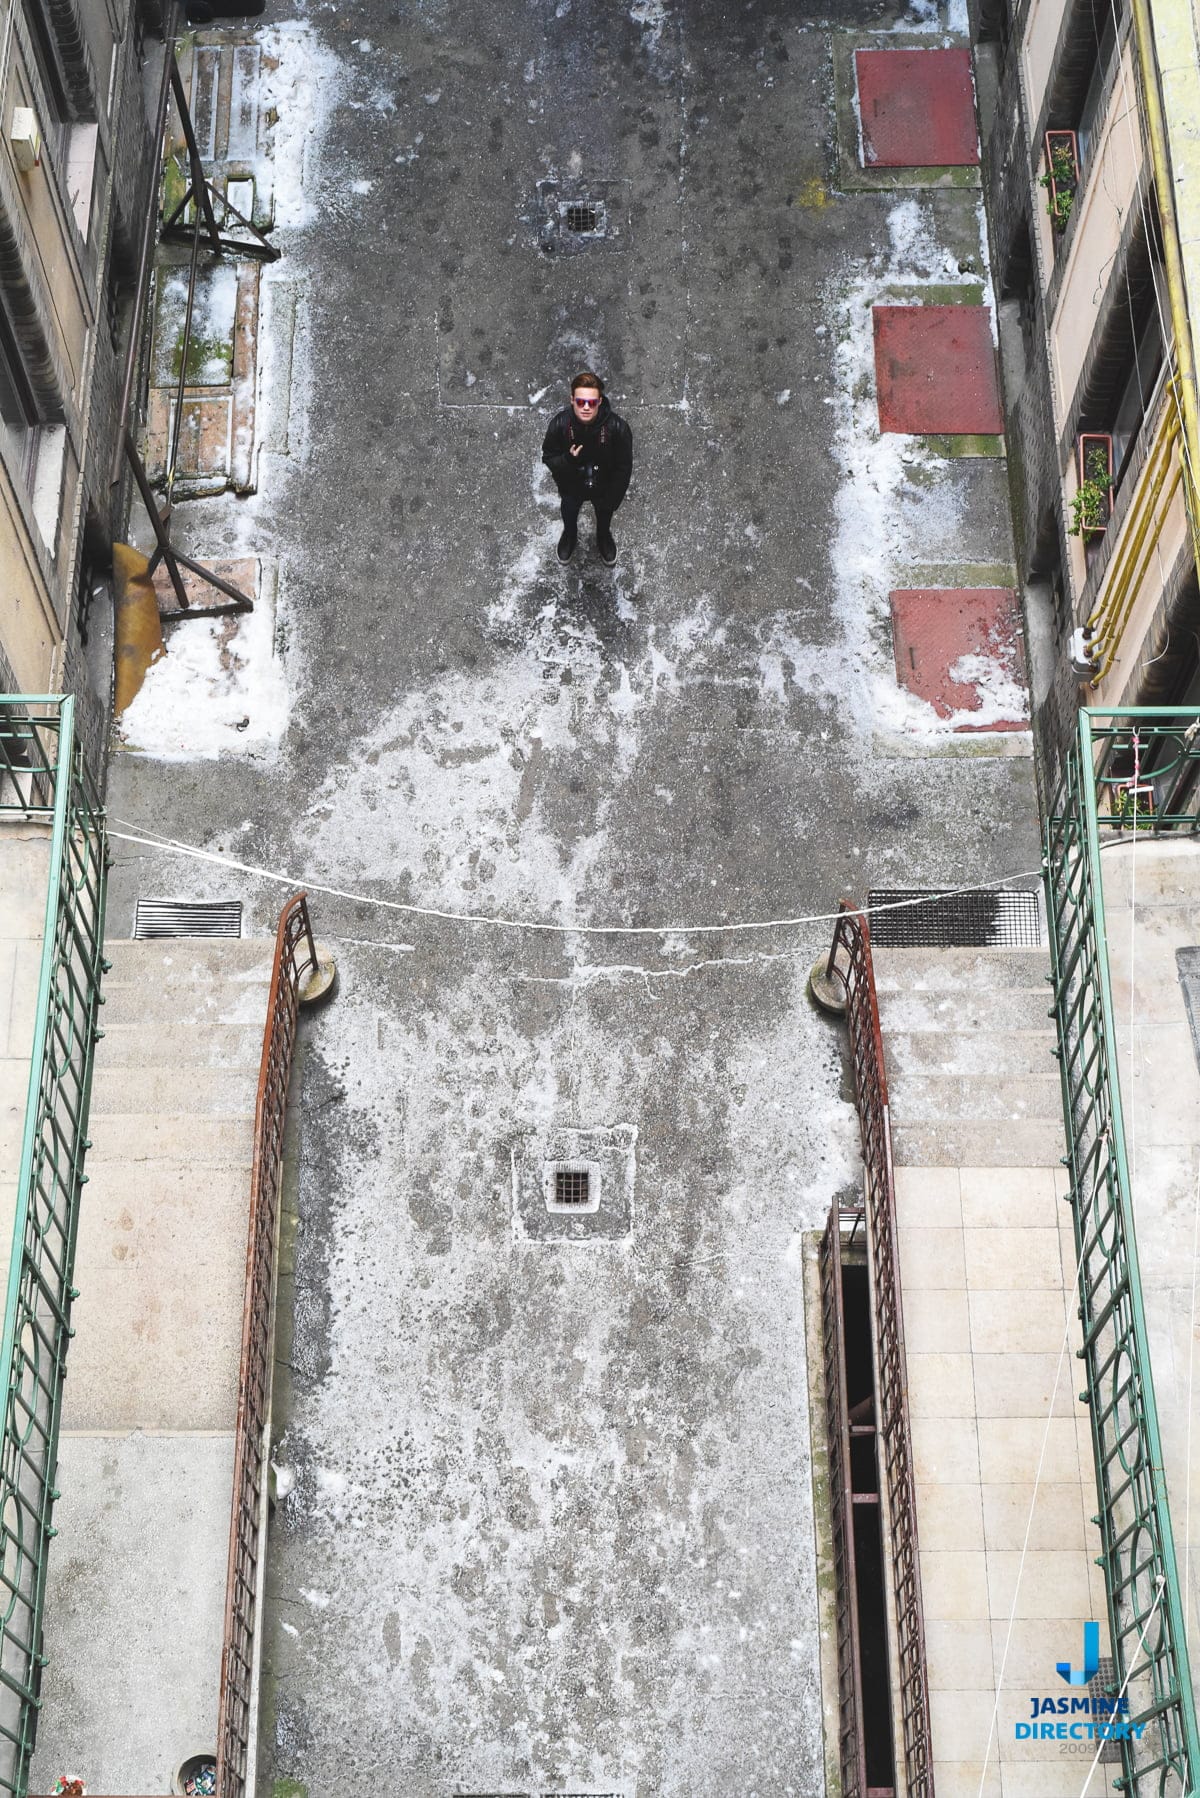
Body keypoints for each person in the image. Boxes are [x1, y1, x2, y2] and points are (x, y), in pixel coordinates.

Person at [541, 371, 633, 566]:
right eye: (580, 401)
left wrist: (613, 498)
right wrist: (568, 460)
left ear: (599, 401)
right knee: (569, 513)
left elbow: (623, 468)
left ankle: (603, 537)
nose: (585, 407)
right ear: (572, 400)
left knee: (604, 516)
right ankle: (569, 536)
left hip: (605, 486)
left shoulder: (618, 428)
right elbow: (549, 457)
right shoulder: (559, 425)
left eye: (591, 403)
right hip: (571, 485)